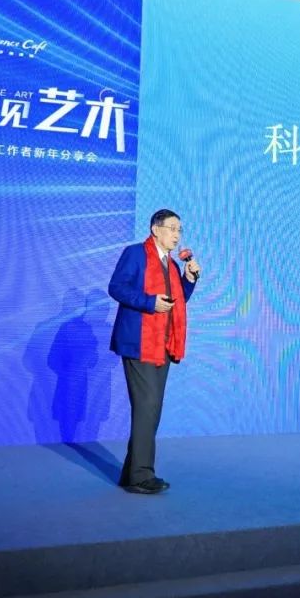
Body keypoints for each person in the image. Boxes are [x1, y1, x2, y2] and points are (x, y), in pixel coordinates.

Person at [108, 209, 200, 494]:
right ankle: (141, 476)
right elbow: (116, 287)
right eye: (172, 228)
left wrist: (188, 279)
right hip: (139, 342)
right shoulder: (136, 254)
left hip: (163, 343)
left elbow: (176, 302)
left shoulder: (171, 264)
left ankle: (131, 473)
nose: (177, 234)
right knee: (147, 406)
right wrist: (149, 302)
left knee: (152, 409)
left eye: (179, 229)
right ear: (155, 229)